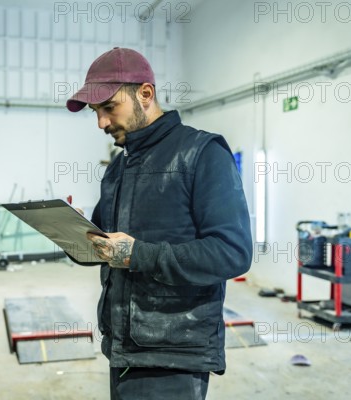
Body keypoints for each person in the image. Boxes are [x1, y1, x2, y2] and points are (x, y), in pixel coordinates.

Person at [66, 47, 252, 400]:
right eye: (96, 112)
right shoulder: (119, 168)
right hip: (122, 348)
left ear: (145, 94)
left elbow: (232, 252)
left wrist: (139, 255)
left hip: (174, 356)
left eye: (109, 108)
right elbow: (102, 243)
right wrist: (68, 232)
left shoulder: (202, 153)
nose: (101, 123)